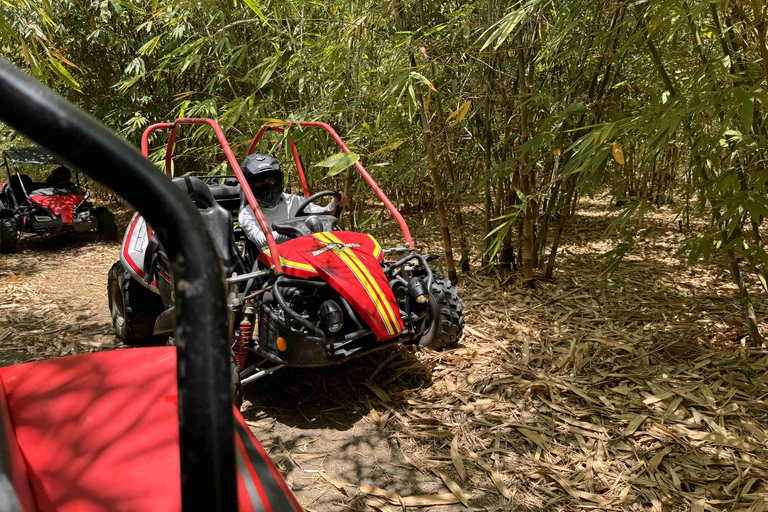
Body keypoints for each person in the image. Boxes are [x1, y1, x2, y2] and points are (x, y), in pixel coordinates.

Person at [238, 152, 348, 249]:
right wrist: (296, 231)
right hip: (274, 262)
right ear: (249, 185)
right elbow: (262, 239)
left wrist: (336, 203)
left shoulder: (293, 201)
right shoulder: (247, 214)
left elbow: (321, 215)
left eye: (272, 179)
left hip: (306, 252)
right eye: (259, 181)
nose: (268, 186)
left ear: (280, 180)